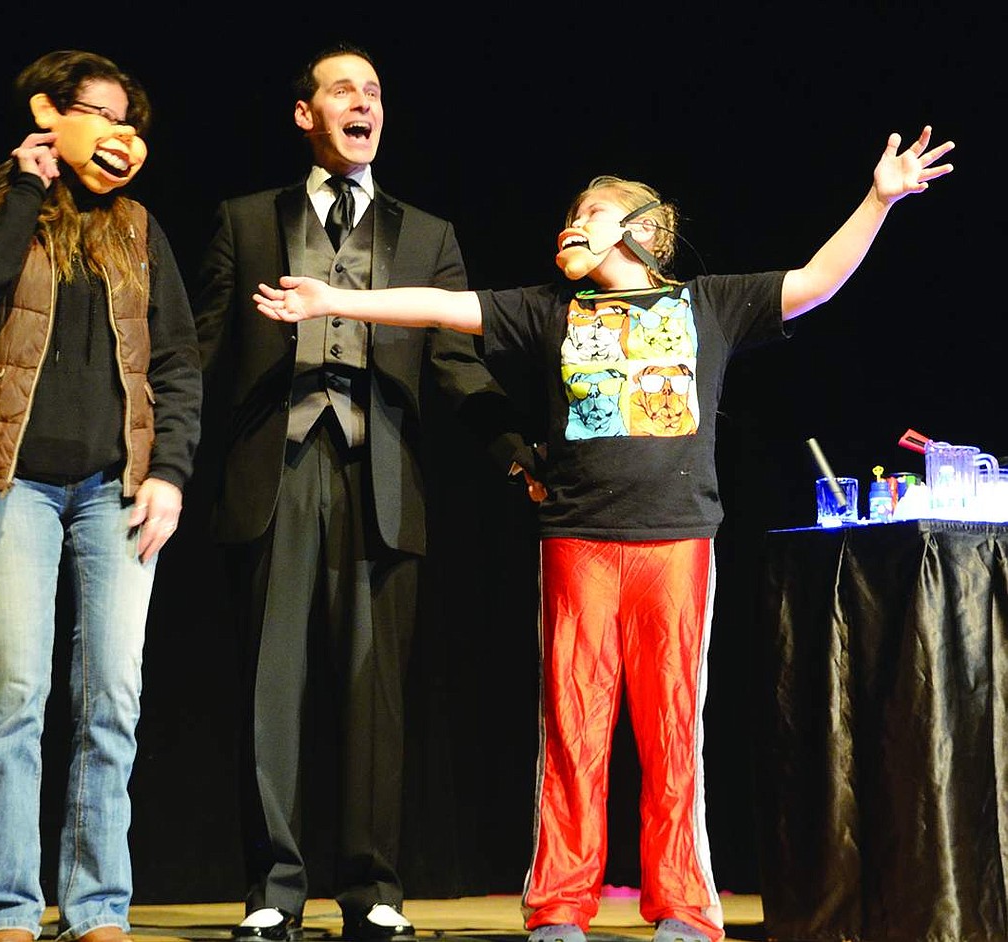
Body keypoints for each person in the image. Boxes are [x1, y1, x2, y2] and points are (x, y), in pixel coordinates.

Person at [252, 126, 955, 942]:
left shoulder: (707, 303)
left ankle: (685, 905)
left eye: (588, 212)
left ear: (639, 231)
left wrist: (879, 198)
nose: (568, 225)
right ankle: (559, 904)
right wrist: (333, 301)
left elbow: (818, 281)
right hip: (578, 540)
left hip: (676, 543)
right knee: (573, 728)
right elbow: (440, 307)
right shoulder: (549, 311)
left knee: (671, 730)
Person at [193, 41, 532, 942]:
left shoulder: (427, 235)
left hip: (382, 477)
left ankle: (372, 886)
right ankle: (274, 886)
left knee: (373, 692)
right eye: (344, 89)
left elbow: (458, 364)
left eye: (375, 91)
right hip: (276, 469)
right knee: (273, 689)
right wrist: (160, 459)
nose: (364, 103)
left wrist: (510, 446)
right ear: (305, 114)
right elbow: (205, 347)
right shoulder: (246, 220)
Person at [0, 49, 202, 942]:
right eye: (104, 113)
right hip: (14, 484)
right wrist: (22, 186)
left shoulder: (139, 229)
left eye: (133, 123)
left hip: (114, 489)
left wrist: (169, 473)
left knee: (111, 700)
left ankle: (96, 908)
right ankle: (5, 907)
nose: (122, 135)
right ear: (50, 109)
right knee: (16, 696)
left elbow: (175, 363)